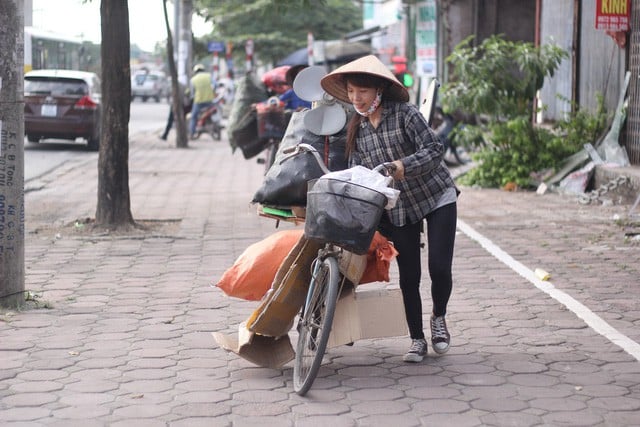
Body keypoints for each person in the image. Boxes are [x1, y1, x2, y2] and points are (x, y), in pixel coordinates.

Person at [320, 55, 459, 363]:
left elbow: (435, 150)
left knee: (439, 267)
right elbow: (360, 175)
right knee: (409, 275)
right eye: (353, 91)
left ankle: (439, 317)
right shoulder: (356, 130)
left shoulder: (405, 115)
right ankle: (417, 339)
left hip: (436, 195)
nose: (357, 99)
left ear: (379, 91)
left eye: (364, 92)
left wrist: (402, 166)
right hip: (398, 210)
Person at [189, 64, 215, 139]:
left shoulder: (193, 79)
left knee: (193, 117)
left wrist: (192, 98)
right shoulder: (209, 76)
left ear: (195, 71)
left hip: (199, 101)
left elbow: (192, 93)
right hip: (209, 100)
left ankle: (192, 133)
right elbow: (215, 85)